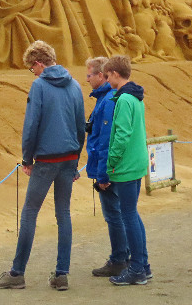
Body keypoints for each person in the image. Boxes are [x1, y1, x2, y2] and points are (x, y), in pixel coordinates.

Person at [0, 40, 85, 291]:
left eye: (32, 68)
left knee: (30, 212)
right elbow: (80, 126)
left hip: (46, 159)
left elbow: (31, 126)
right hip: (68, 157)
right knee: (63, 214)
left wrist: (27, 159)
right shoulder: (75, 85)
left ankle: (17, 272)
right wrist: (75, 160)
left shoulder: (39, 85)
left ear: (39, 64)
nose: (33, 72)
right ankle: (62, 274)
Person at [103, 55, 151, 286]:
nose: (105, 78)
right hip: (136, 163)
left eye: (107, 74)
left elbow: (121, 135)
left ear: (114, 74)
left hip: (126, 166)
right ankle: (143, 265)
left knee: (128, 215)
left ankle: (138, 269)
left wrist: (111, 161)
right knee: (132, 214)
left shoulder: (123, 100)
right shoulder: (136, 97)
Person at [84, 56, 129, 277]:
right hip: (108, 167)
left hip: (108, 170)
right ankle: (123, 256)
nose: (87, 79)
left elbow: (105, 141)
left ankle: (120, 258)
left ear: (102, 75)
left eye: (89, 74)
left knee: (114, 214)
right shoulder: (105, 98)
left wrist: (103, 174)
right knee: (117, 213)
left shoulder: (108, 99)